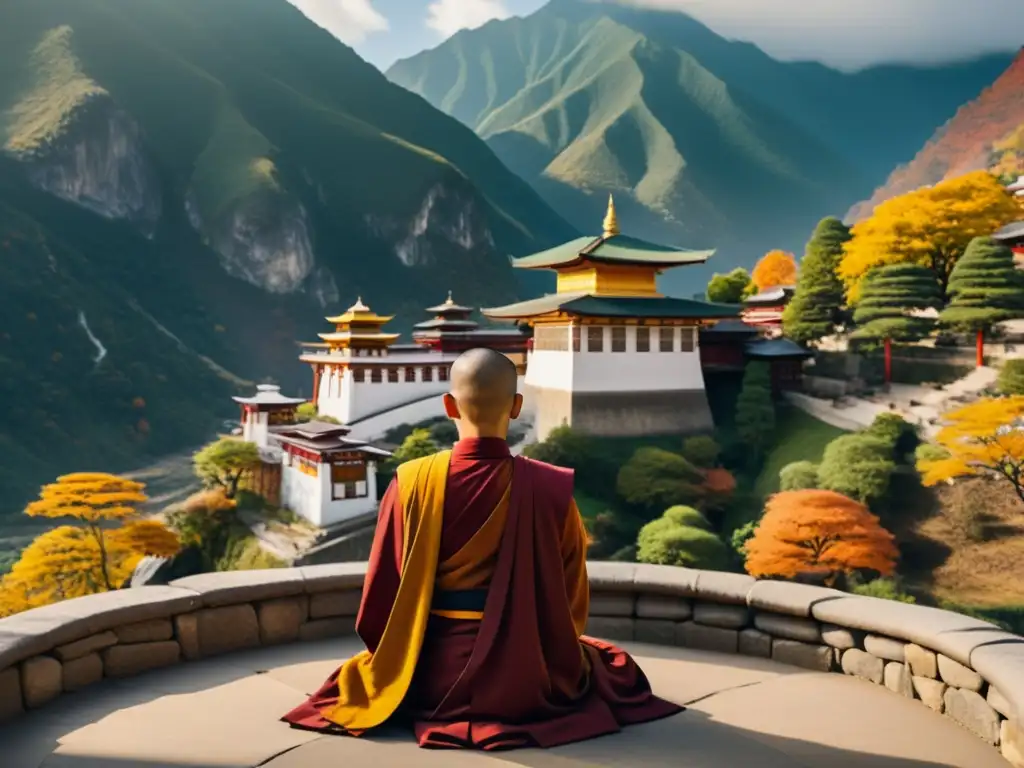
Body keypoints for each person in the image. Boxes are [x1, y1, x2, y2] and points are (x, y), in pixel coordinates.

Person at [282, 348, 682, 749]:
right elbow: (571, 596)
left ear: (448, 406)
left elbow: (381, 597)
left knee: (356, 677)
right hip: (524, 677)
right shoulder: (550, 489)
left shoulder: (410, 482)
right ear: (516, 406)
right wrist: (544, 643)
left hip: (425, 675)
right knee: (613, 667)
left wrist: (397, 656)